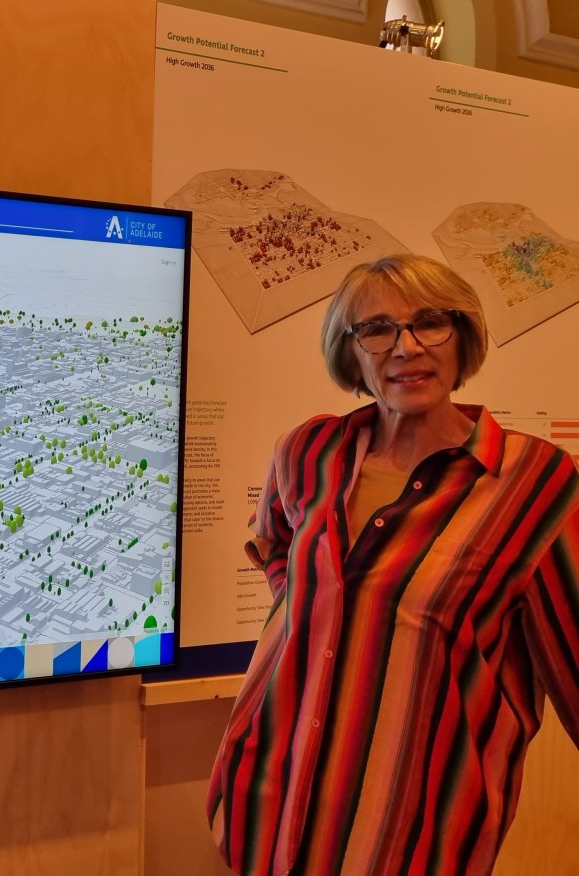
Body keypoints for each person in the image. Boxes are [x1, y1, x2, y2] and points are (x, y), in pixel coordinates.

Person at [206, 254, 579, 875]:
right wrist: (326, 613)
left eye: (431, 322)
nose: (406, 347)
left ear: (462, 340)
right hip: (267, 808)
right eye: (376, 329)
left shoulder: (534, 484)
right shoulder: (308, 452)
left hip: (412, 836)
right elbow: (273, 545)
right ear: (351, 353)